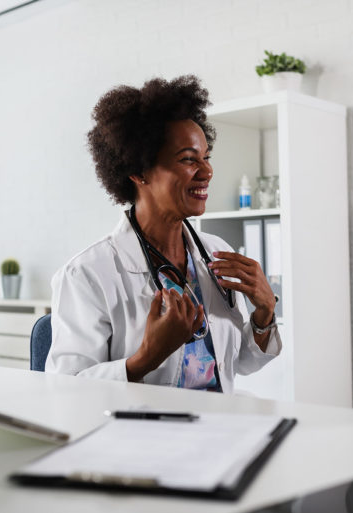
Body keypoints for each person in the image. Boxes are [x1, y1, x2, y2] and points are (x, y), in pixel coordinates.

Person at [46, 75, 281, 392]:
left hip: (219, 424)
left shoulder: (215, 254)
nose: (207, 171)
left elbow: (239, 362)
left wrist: (264, 313)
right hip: (142, 435)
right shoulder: (86, 275)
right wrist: (146, 357)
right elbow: (64, 391)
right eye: (188, 159)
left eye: (206, 157)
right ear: (139, 170)